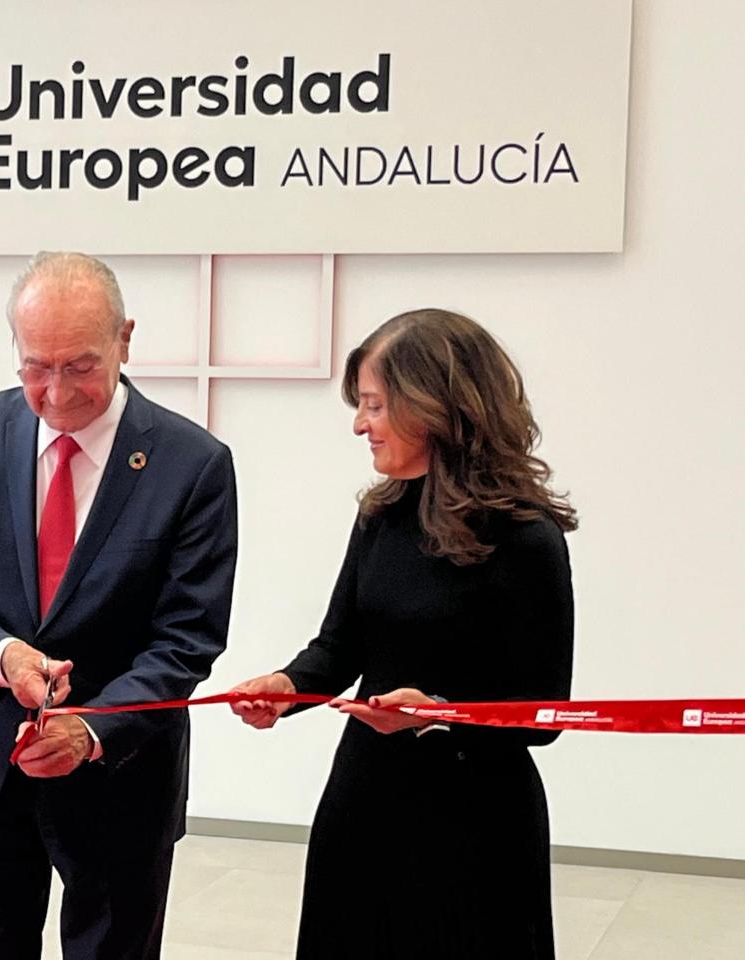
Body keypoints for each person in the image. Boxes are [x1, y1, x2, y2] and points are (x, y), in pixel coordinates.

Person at [0, 252, 238, 959]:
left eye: (80, 365)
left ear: (125, 340)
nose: (56, 392)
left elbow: (187, 638)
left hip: (120, 776)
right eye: (36, 367)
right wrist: (3, 656)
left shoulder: (192, 463)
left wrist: (91, 728)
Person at [228, 308, 577, 959]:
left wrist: (437, 714)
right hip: (366, 802)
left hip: (476, 827)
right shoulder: (380, 516)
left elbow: (543, 714)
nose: (360, 424)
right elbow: (340, 647)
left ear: (436, 405)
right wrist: (286, 686)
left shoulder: (528, 539)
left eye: (374, 405)